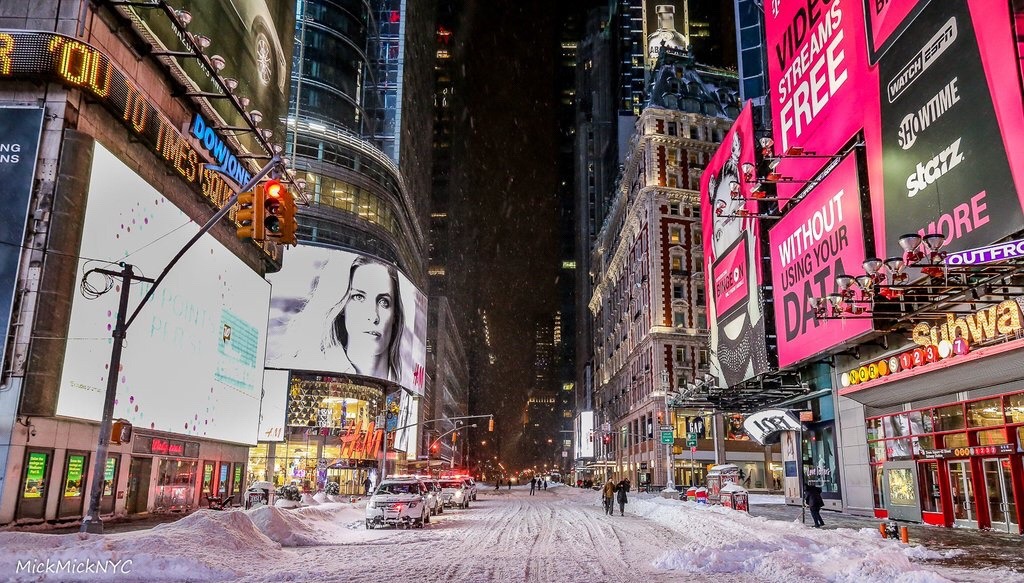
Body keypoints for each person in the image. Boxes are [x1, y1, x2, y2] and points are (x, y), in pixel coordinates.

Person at [704, 129, 769, 389]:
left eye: (735, 213)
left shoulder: (757, 310)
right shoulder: (716, 338)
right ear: (714, 240)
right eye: (720, 224)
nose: (728, 232)